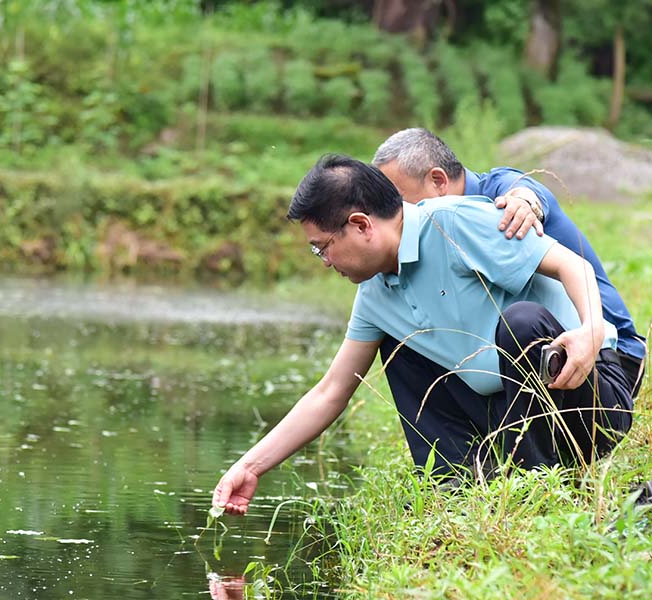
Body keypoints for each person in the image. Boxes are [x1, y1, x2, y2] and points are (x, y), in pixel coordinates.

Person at [212, 155, 633, 516]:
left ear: (360, 225)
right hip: (506, 414)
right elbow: (331, 391)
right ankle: (459, 486)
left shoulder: (454, 222)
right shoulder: (375, 293)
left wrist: (590, 332)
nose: (323, 260)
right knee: (397, 343)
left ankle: (539, 489)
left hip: (587, 402)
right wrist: (250, 466)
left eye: (322, 247)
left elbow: (573, 265)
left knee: (522, 321)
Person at [373, 128, 645, 398]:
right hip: (536, 362)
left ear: (438, 181)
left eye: (397, 201)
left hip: (606, 356)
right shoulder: (431, 240)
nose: (390, 214)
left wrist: (524, 204)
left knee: (521, 321)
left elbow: (523, 193)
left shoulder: (498, 195)